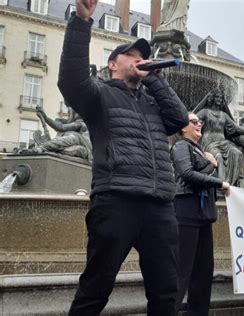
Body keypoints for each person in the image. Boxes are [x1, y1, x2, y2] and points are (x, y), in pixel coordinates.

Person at [57, 1, 189, 315]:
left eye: (144, 57)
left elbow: (180, 118)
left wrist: (153, 77)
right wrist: (81, 21)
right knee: (95, 289)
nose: (140, 59)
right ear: (113, 64)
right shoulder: (99, 94)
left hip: (159, 206)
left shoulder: (153, 102)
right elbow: (70, 81)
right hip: (116, 201)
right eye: (132, 55)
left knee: (167, 293)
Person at [171, 113, 230, 314]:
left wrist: (212, 166)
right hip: (186, 211)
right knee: (182, 270)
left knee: (204, 271)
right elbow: (187, 174)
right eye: (194, 121)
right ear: (182, 127)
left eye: (200, 121)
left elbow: (204, 174)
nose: (199, 124)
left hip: (204, 214)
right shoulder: (180, 147)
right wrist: (214, 171)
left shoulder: (199, 150)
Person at [194, 88, 244, 187]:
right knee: (219, 157)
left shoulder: (224, 115)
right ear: (212, 98)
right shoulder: (205, 112)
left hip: (223, 142)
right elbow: (192, 119)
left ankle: (233, 183)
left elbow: (236, 128)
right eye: (217, 97)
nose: (219, 99)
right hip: (209, 142)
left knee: (237, 153)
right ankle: (221, 185)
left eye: (221, 97)